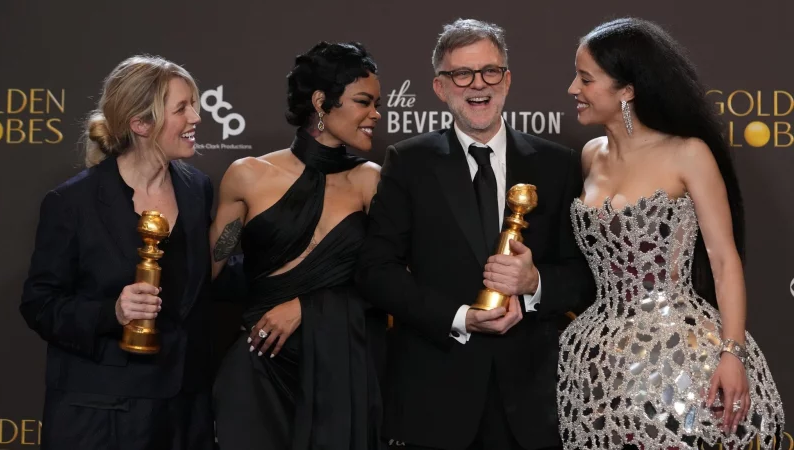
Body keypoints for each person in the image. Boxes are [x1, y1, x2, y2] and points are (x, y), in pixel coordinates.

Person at [356, 19, 595, 450]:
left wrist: (534, 285)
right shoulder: (408, 162)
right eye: (461, 74)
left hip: (534, 400)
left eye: (489, 71)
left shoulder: (557, 164)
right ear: (440, 87)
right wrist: (459, 317)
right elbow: (377, 270)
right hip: (437, 394)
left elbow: (586, 275)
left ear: (507, 80)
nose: (477, 85)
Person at [558, 17, 786, 450]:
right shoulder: (591, 156)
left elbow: (723, 259)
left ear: (626, 90)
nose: (573, 89)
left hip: (680, 355)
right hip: (599, 359)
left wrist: (731, 353)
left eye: (585, 79)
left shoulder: (687, 154)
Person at [20, 55, 215, 449]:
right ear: (141, 124)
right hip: (100, 414)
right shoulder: (71, 202)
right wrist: (114, 312)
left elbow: (204, 282)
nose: (196, 117)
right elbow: (39, 304)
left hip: (183, 412)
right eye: (181, 108)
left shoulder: (198, 189)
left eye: (193, 104)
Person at [209, 41, 387, 450]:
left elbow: (389, 282)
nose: (375, 114)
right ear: (322, 102)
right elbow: (213, 266)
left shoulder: (370, 182)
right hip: (260, 370)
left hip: (342, 373)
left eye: (377, 103)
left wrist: (307, 307)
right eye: (364, 101)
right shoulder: (247, 177)